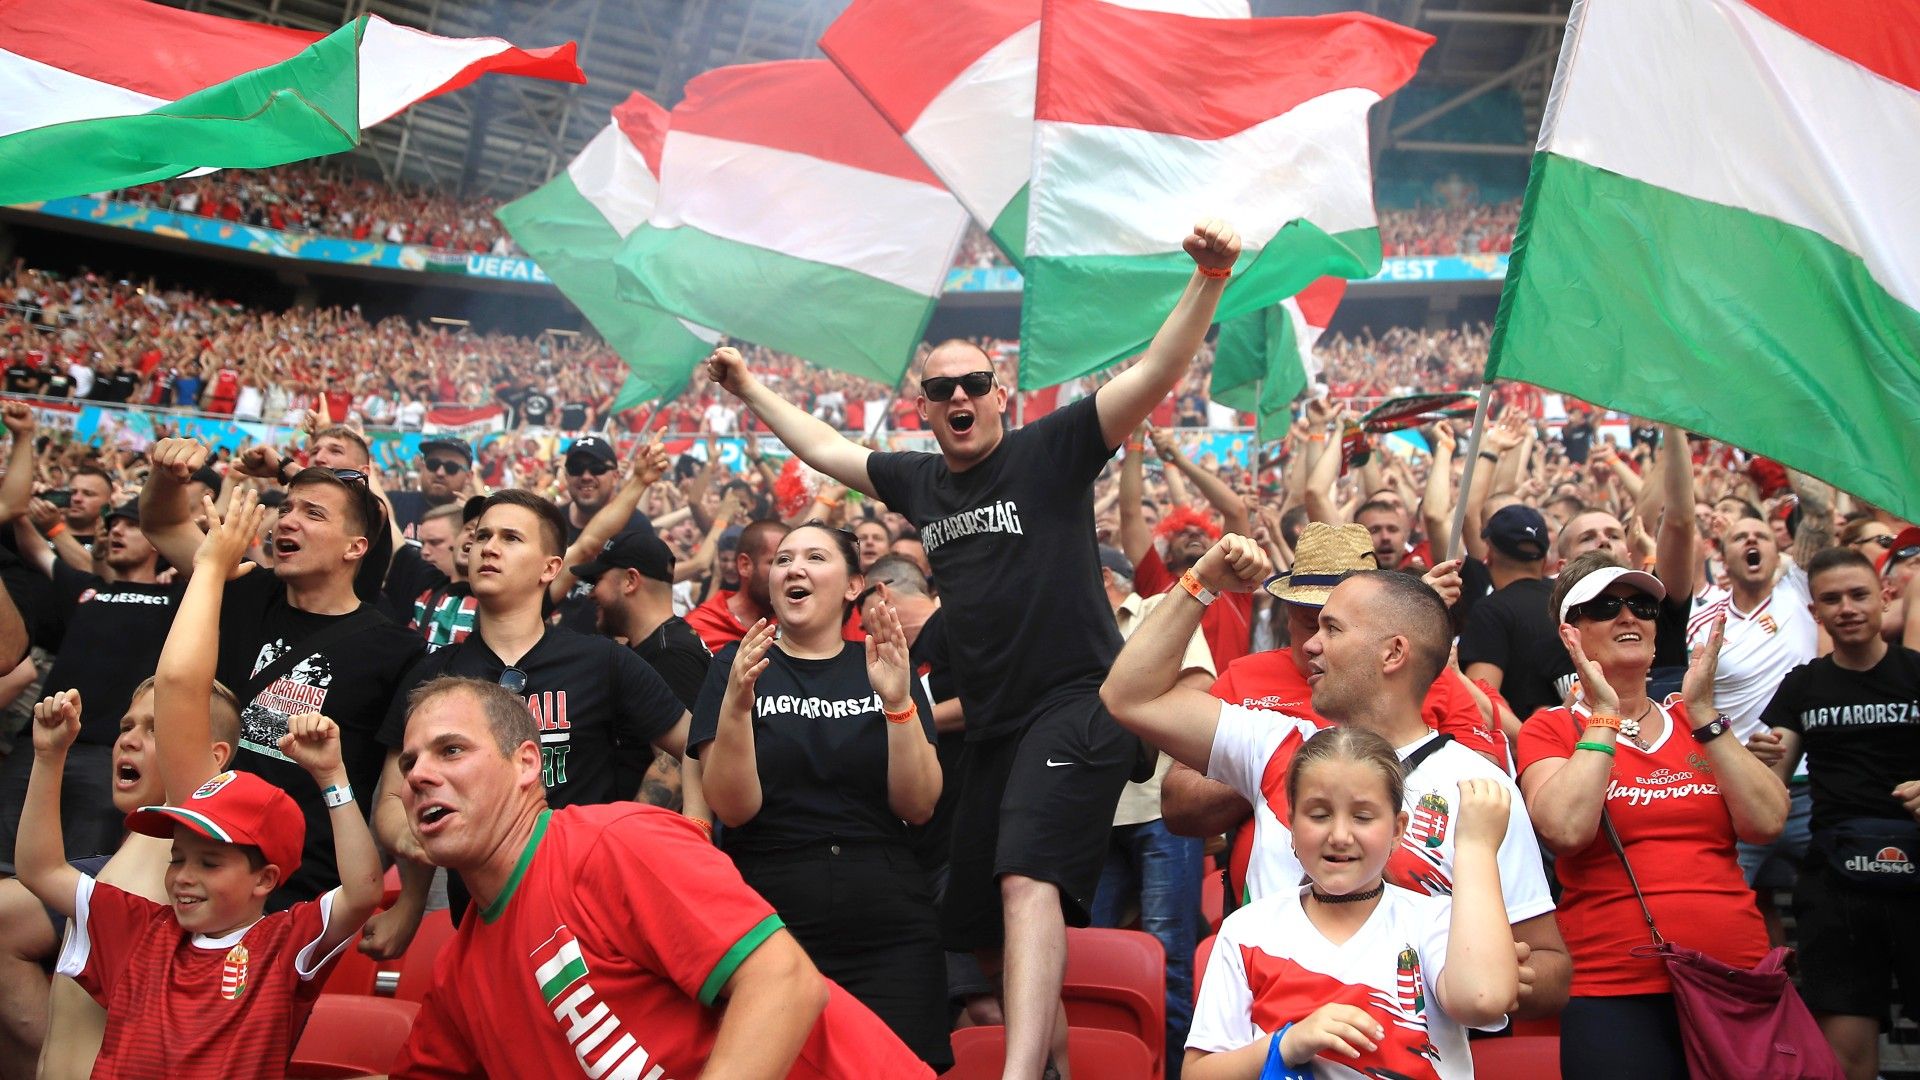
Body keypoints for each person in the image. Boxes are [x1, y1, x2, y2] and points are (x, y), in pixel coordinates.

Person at [707, 219, 1241, 1078]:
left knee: (1027, 882)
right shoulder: (920, 481)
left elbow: (1154, 373)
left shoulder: (1051, 450)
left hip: (1079, 706)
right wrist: (749, 392)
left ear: (1001, 392)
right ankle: (1056, 1065)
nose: (959, 399)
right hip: (993, 733)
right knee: (983, 941)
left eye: (975, 384)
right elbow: (823, 447)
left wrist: (1210, 279)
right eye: (941, 390)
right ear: (924, 408)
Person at [1104, 537, 1569, 1021]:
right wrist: (1201, 583)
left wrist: (1504, 975)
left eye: (1332, 628)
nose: (1309, 643)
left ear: (1393, 654)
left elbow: (1551, 967)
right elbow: (1128, 697)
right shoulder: (1274, 746)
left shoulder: (1477, 789)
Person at [388, 676, 935, 1078]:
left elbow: (784, 983)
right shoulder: (458, 977)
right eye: (409, 764)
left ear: (527, 764)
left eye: (451, 750)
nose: (419, 776)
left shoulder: (617, 843)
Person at [1516, 551, 1789, 1080]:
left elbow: (1767, 821)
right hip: (1613, 984)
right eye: (1605, 606)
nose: (1629, 617)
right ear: (1570, 634)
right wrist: (1602, 718)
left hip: (1735, 978)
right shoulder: (1551, 728)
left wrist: (1707, 715)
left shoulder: (1697, 720)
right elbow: (1567, 830)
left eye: (1642, 606)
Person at [372, 490, 694, 937]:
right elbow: (393, 798)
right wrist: (415, 843)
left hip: (588, 914)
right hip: (481, 920)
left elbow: (694, 748)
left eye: (511, 537)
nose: (488, 546)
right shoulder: (435, 671)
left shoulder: (602, 661)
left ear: (550, 568)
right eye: (482, 535)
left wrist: (684, 836)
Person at [16, 693, 380, 1078]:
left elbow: (364, 891)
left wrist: (332, 777)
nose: (184, 876)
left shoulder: (284, 942)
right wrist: (47, 757)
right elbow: (40, 870)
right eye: (177, 858)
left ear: (265, 879)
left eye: (209, 863)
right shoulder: (139, 928)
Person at [692, 523, 948, 1068]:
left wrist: (898, 701)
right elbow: (734, 809)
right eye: (783, 560)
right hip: (772, 922)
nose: (794, 569)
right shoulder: (734, 666)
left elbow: (919, 804)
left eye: (814, 557)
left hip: (888, 925)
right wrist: (737, 705)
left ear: (854, 584)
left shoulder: (882, 664)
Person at [141, 437, 427, 906]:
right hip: (193, 850)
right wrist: (166, 475)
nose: (287, 520)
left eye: (313, 513)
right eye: (288, 508)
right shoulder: (241, 585)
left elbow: (397, 793)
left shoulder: (397, 652)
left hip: (294, 881)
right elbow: (163, 522)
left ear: (355, 547)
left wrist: (409, 903)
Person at [1186, 727, 1519, 1080]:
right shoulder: (1248, 931)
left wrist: (1476, 848)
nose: (1340, 836)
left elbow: (1483, 999)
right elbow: (1197, 1074)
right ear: (1291, 823)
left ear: (1397, 830)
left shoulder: (1434, 921)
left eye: (1362, 817)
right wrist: (1286, 1044)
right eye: (1318, 815)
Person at [0, 680, 238, 1079]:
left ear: (212, 758)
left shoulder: (186, 867)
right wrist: (49, 755)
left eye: (155, 728)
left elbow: (181, 675)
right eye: (126, 726)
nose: (128, 740)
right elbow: (38, 869)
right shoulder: (132, 853)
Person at [1760, 546, 1920, 1080]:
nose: (1847, 608)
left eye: (1859, 594)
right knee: (1846, 1054)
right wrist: (1752, 761)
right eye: (1832, 599)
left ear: (1886, 597)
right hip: (1838, 882)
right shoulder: (1803, 684)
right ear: (1815, 614)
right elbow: (1771, 787)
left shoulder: (1917, 672)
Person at [0, 499, 180, 870]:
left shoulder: (177, 599)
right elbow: (36, 548)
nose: (116, 531)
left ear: (158, 541)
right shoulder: (87, 587)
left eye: (131, 525)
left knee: (79, 871)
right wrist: (18, 506)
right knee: (6, 860)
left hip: (109, 753)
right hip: (39, 741)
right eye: (113, 525)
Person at [1092, 544, 1213, 1077]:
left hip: (1158, 808)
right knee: (1085, 954)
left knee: (1169, 960)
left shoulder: (1161, 611)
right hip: (1089, 814)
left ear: (1100, 576)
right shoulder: (1066, 624)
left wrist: (1115, 712)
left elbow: (1197, 693)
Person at [1689, 511, 1818, 943]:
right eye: (1740, 536)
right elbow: (1691, 704)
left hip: (1809, 787)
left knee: (1836, 900)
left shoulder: (1798, 590)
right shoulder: (1704, 621)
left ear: (1778, 550)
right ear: (1723, 557)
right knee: (1729, 911)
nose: (1752, 541)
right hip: (1737, 792)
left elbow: (1817, 514)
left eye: (1761, 535)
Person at [1549, 423, 1701, 697]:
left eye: (1640, 607)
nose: (1629, 617)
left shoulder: (1658, 600)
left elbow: (1678, 521)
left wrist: (1674, 427)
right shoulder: (1542, 630)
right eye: (1587, 538)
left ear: (1629, 555)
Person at [1460, 504, 1572, 722]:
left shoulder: (1490, 611)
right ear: (1543, 557)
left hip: (1528, 750)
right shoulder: (1569, 600)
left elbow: (1481, 704)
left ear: (1489, 553)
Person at [579, 530, 712, 709]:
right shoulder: (662, 645)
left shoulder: (670, 655)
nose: (590, 594)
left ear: (630, 581)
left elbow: (693, 737)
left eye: (598, 580)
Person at [686, 518, 787, 652]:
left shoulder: (794, 625)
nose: (790, 572)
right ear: (745, 565)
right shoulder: (699, 628)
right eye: (780, 562)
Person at [387, 437, 473, 539]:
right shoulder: (392, 503)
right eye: (433, 464)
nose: (440, 473)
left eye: (451, 467)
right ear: (423, 467)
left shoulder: (474, 523)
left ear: (468, 477)